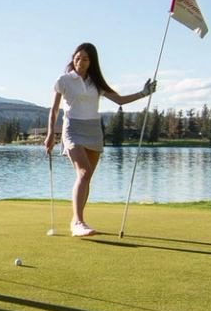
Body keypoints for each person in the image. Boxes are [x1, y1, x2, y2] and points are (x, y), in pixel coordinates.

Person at [43, 42, 155, 237]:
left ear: (91, 62)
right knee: (84, 173)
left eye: (85, 59)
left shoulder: (96, 82)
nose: (80, 62)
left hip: (94, 130)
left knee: (86, 178)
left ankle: (75, 220)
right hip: (72, 129)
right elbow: (53, 110)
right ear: (73, 59)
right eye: (77, 58)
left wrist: (144, 93)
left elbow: (119, 100)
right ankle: (78, 222)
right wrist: (51, 133)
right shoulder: (64, 80)